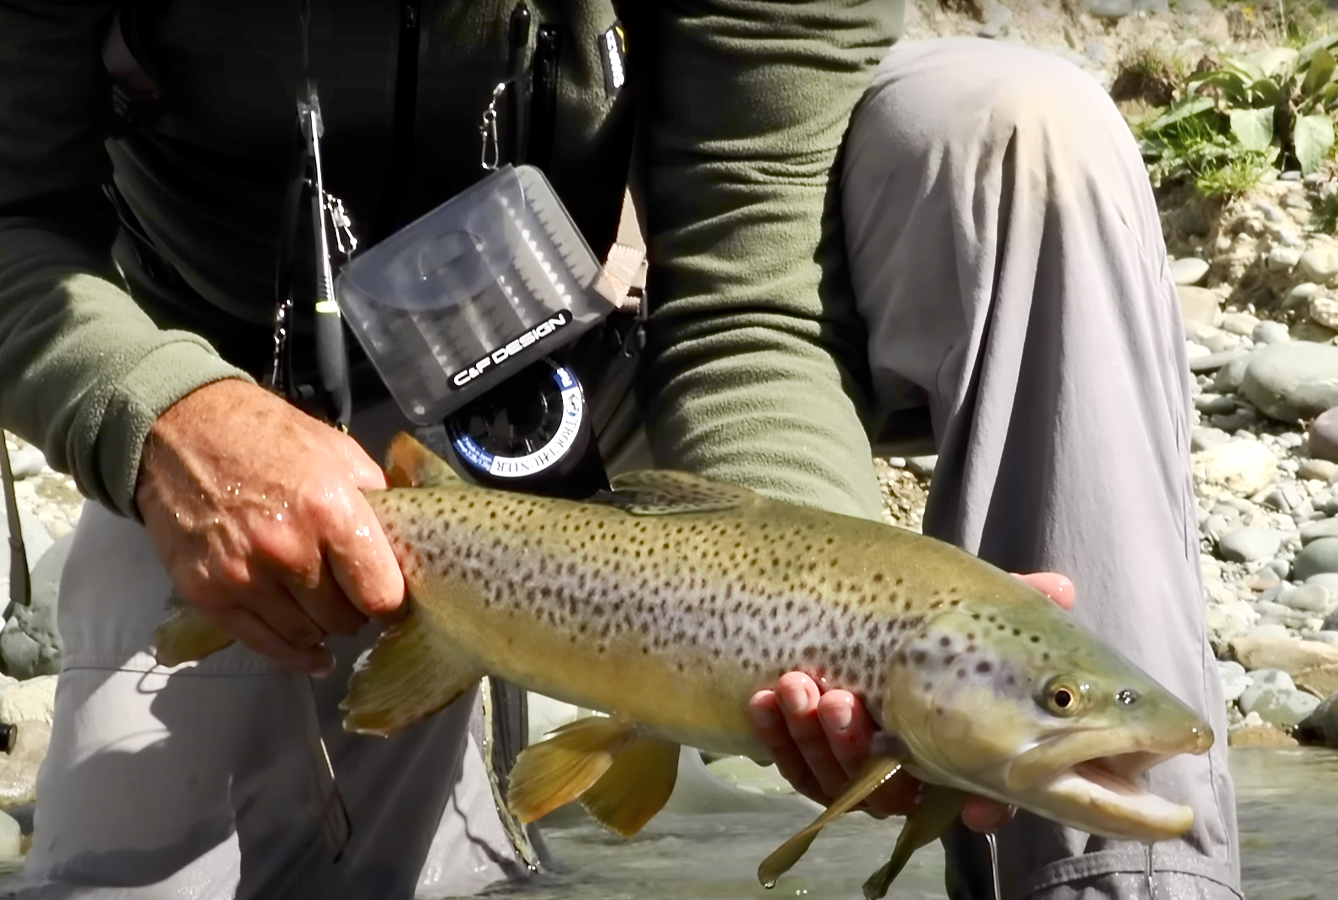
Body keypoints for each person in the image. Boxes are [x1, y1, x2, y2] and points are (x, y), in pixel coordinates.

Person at [0, 2, 1242, 899]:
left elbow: (745, 290)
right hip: (233, 394)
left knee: (1022, 131)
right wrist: (161, 415)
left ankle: (1127, 886)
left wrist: (811, 604)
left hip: (612, 352)